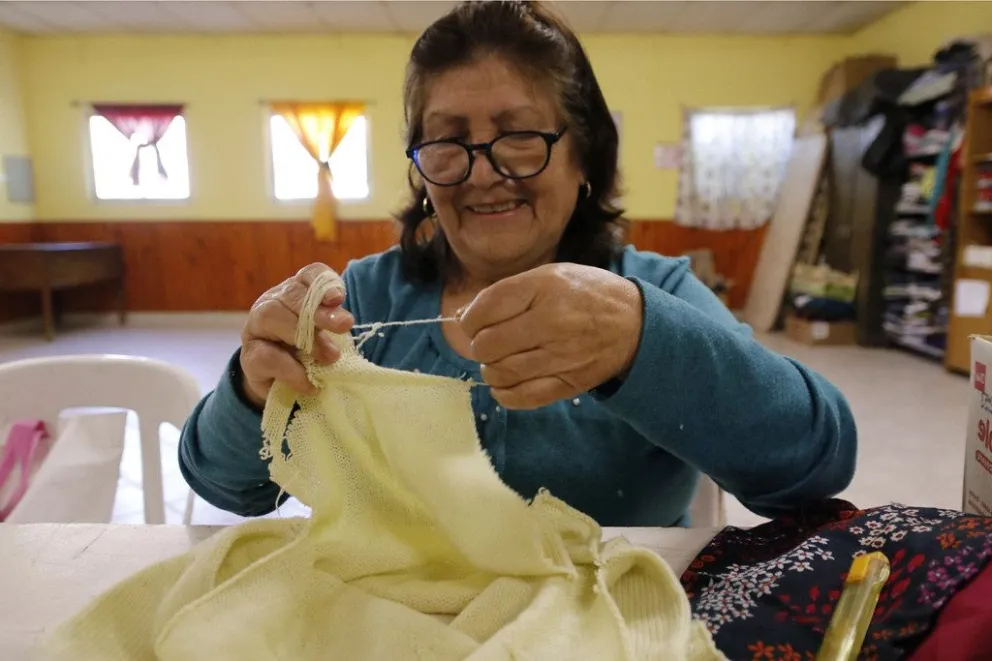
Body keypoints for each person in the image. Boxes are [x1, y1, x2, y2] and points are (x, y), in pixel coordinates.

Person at [179, 0, 857, 528]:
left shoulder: (656, 291)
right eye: (447, 142)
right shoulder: (364, 298)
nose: (483, 172)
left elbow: (813, 464)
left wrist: (642, 343)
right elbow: (227, 485)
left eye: (520, 136)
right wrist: (252, 388)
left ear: (584, 156)